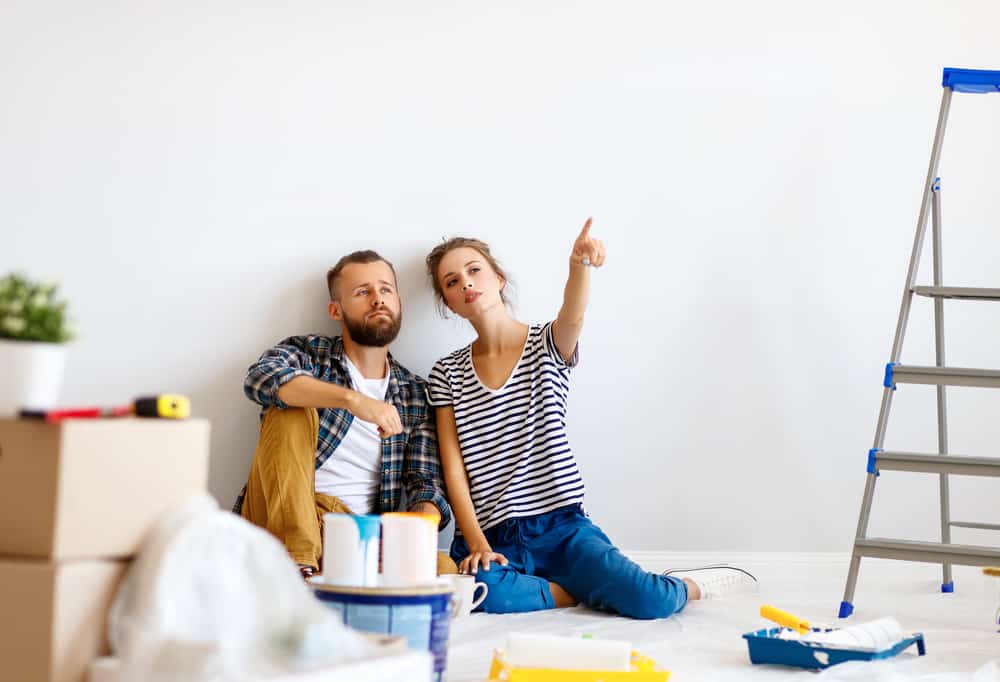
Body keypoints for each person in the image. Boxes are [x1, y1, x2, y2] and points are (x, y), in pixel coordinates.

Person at [423, 220, 757, 618]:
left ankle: (687, 585)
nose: (466, 283)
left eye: (474, 270)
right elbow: (453, 464)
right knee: (479, 594)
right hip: (493, 535)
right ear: (448, 302)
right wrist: (477, 542)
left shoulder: (544, 344)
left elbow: (572, 318)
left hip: (562, 529)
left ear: (497, 278)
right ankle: (578, 592)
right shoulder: (447, 372)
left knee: (651, 602)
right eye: (451, 281)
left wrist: (579, 267)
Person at [234, 250, 454, 579]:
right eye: (363, 292)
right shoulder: (308, 353)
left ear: (398, 302)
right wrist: (353, 400)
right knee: (290, 409)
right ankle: (299, 563)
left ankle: (322, 575)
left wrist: (415, 533)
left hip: (357, 533)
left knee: (443, 567)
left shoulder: (413, 394)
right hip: (284, 515)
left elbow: (427, 483)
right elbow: (261, 379)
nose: (378, 300)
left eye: (386, 289)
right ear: (336, 310)